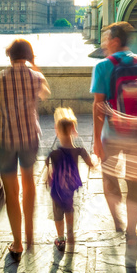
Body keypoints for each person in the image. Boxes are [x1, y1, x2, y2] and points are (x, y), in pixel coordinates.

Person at [90, 22, 137, 246]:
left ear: (115, 42)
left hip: (112, 134)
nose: (103, 44)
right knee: (136, 183)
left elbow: (98, 107)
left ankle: (118, 221)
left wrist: (97, 141)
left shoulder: (102, 67)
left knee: (109, 177)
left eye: (106, 39)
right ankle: (132, 230)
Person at [0, 39, 50, 262]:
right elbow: (45, 94)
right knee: (29, 183)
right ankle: (30, 235)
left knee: (12, 192)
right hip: (29, 138)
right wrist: (35, 66)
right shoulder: (36, 77)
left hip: (4, 141)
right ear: (29, 56)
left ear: (9, 56)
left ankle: (18, 243)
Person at [45, 107, 94, 252]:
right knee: (69, 209)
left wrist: (48, 177)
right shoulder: (79, 150)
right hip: (70, 189)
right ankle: (70, 234)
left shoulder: (54, 153)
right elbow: (90, 163)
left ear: (57, 132)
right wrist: (96, 162)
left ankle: (60, 240)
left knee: (58, 214)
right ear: (73, 130)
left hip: (56, 190)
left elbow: (47, 168)